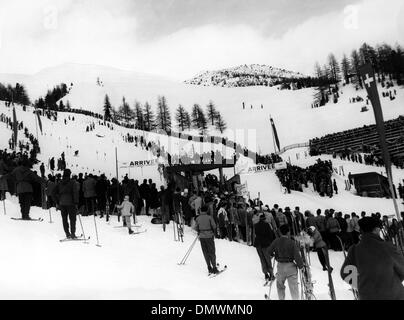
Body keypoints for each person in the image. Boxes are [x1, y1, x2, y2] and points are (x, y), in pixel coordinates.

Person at [340, 217, 404, 300]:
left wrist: (361, 283)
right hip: (393, 295)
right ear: (376, 230)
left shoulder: (354, 250)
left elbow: (345, 273)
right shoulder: (388, 247)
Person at [268, 224, 303, 300]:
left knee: (280, 286)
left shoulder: (276, 241)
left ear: (280, 232)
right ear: (288, 232)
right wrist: (301, 266)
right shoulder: (291, 242)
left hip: (280, 267)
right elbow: (297, 256)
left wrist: (273, 254)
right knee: (294, 288)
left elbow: (269, 251)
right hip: (291, 267)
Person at [52, 169, 79, 239]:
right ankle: (73, 233)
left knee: (64, 218)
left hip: (62, 203)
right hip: (71, 203)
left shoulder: (59, 182)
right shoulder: (73, 182)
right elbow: (75, 193)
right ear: (69, 174)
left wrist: (57, 202)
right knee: (72, 219)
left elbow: (53, 193)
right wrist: (76, 202)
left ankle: (67, 233)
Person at [194, 205, 219, 275]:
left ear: (201, 210)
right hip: (209, 236)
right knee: (212, 251)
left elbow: (195, 227)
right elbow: (214, 226)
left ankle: (209, 267)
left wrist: (199, 231)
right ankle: (214, 267)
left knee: (205, 252)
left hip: (202, 237)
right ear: (207, 210)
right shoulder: (209, 217)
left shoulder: (198, 218)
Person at [254, 214, 276, 282]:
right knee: (267, 259)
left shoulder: (256, 225)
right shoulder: (267, 225)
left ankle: (265, 273)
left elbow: (255, 234)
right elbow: (270, 235)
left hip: (258, 244)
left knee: (262, 259)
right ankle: (271, 274)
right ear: (264, 219)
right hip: (265, 244)